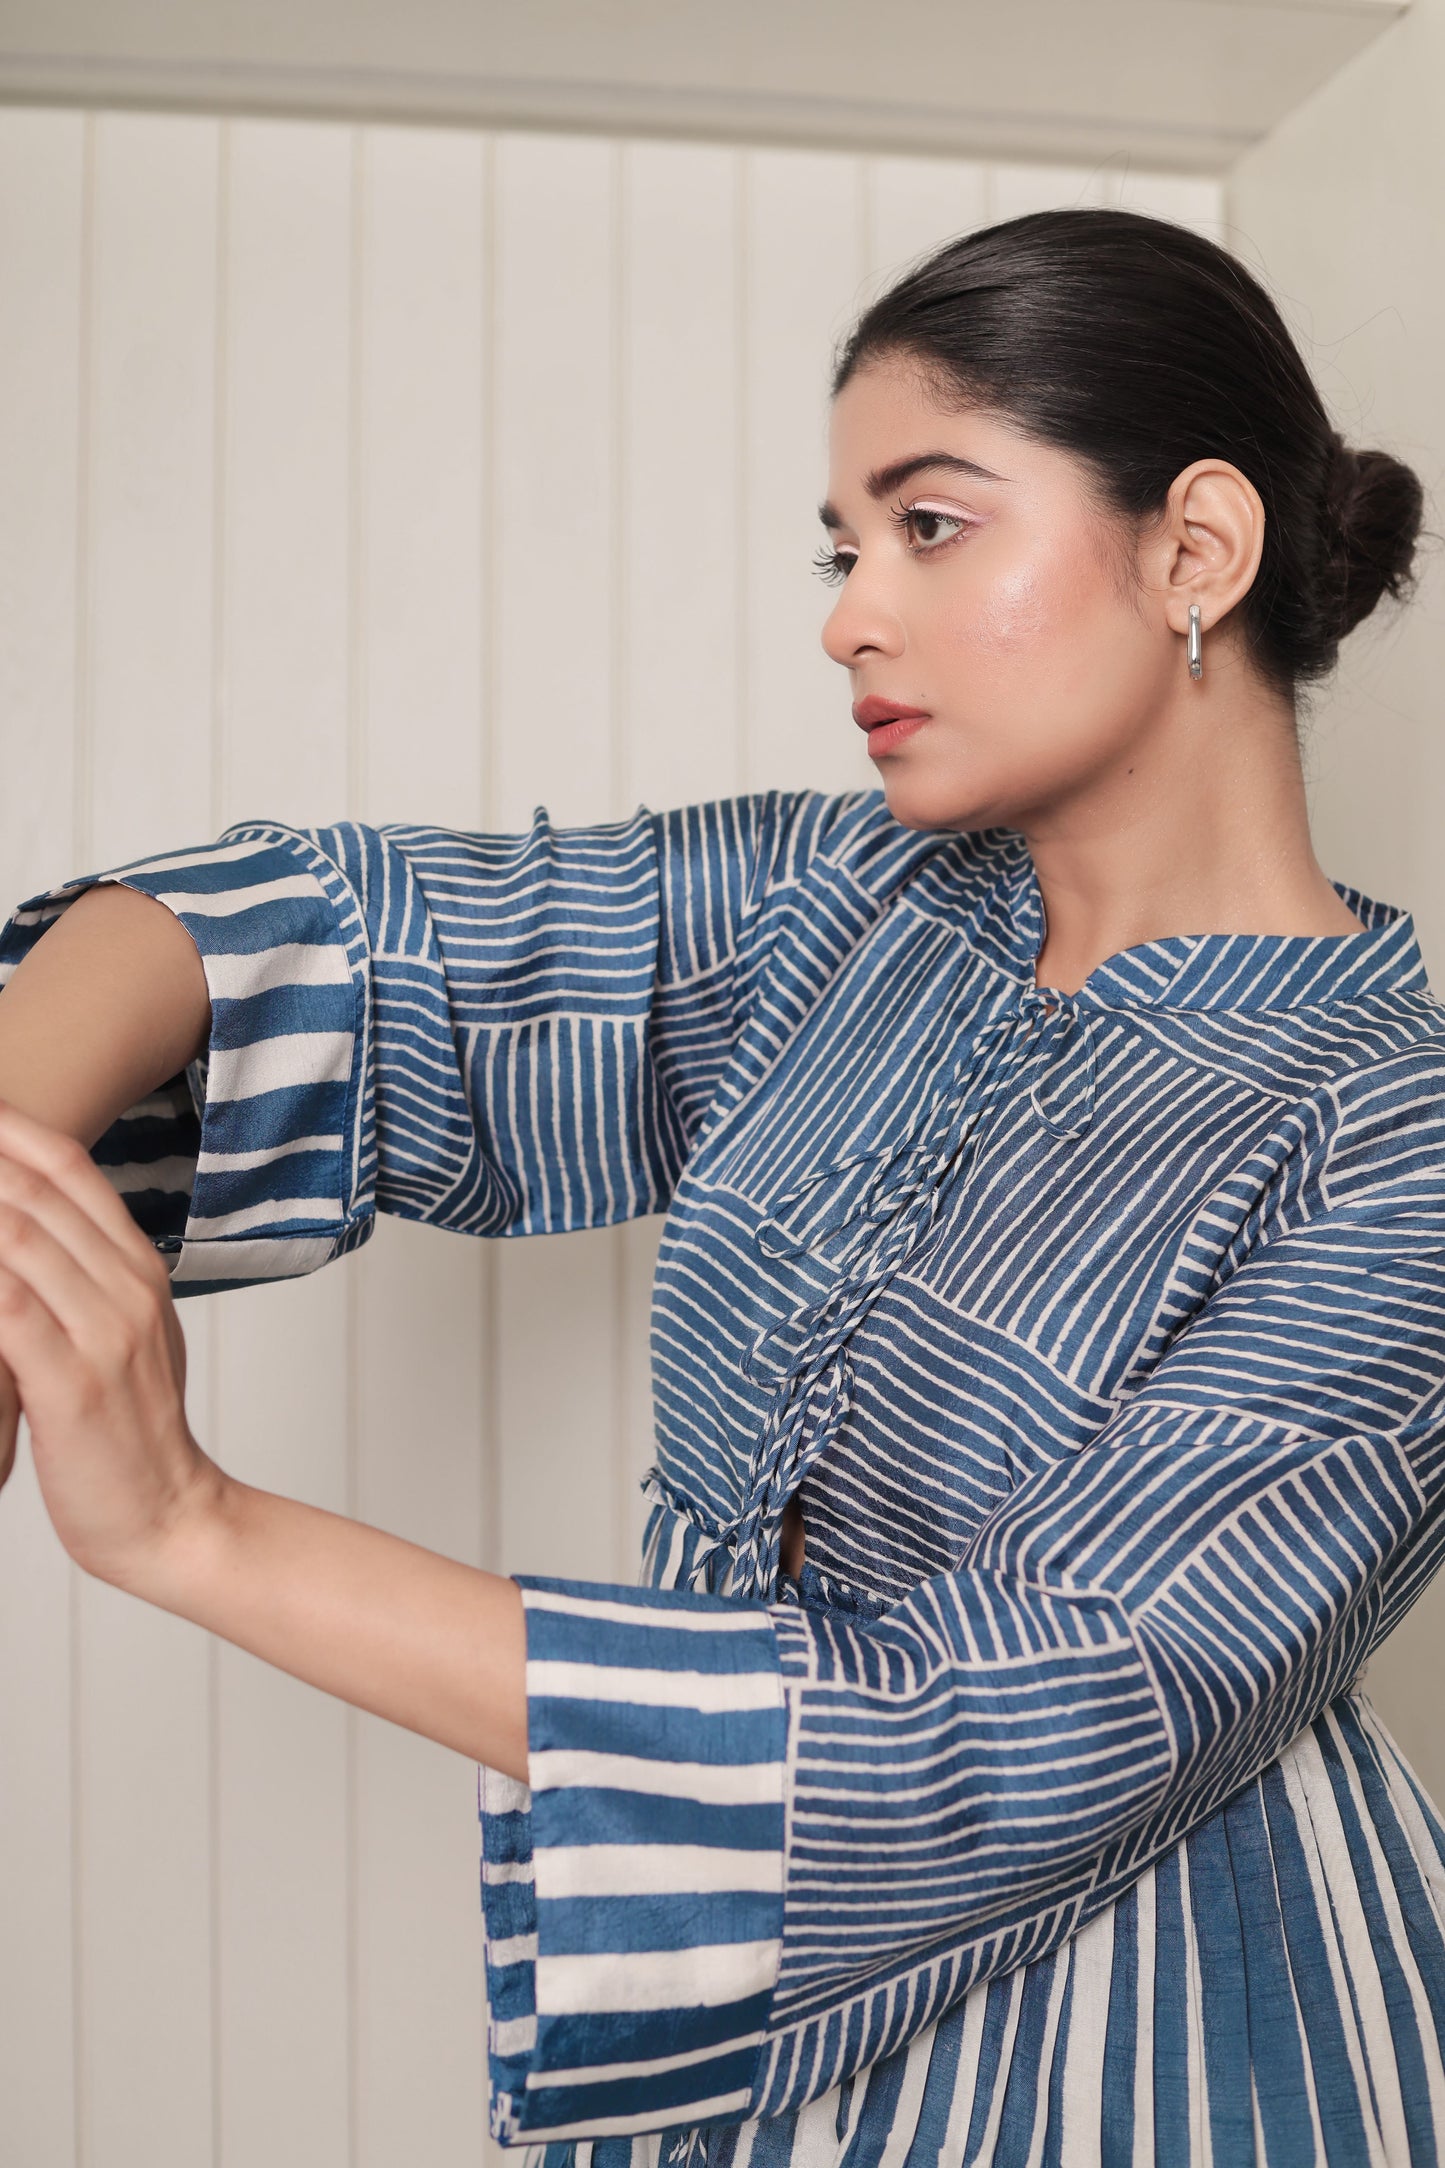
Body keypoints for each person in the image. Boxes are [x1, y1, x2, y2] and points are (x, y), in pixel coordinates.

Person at [0, 204, 1440, 2166]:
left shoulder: (1399, 1135)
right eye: (843, 548)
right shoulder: (837, 906)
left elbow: (994, 1732)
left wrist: (188, 1524)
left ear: (1194, 547)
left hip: (1189, 2063)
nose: (850, 613)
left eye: (931, 527)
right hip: (739, 2073)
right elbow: (343, 933)